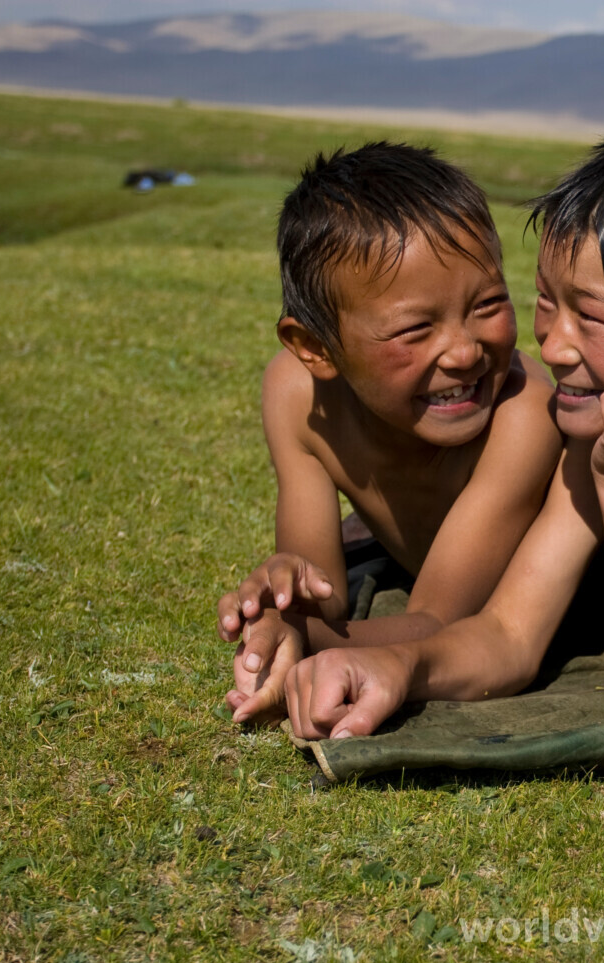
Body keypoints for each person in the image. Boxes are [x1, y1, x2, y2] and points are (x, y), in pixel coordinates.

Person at [281, 109, 604, 740]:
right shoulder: (597, 439)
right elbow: (508, 634)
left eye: (594, 318)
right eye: (546, 304)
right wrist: (398, 664)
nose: (553, 346)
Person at [216, 142, 562, 725]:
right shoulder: (298, 396)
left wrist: (311, 638)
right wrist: (283, 608)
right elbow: (324, 593)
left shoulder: (525, 417)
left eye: (488, 304)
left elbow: (437, 623)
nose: (464, 350)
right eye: (415, 328)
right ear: (315, 349)